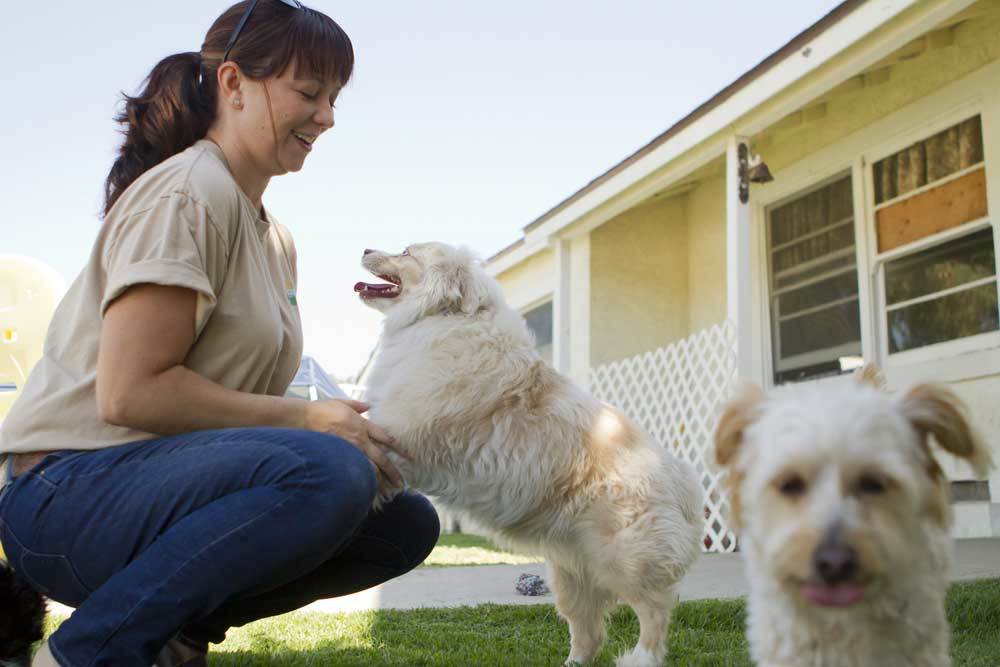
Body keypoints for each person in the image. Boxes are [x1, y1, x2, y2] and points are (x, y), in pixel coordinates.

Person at [0, 2, 440, 665]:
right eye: (309, 92)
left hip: (154, 493)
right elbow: (131, 394)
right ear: (233, 85)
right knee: (328, 472)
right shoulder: (188, 193)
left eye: (334, 98)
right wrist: (305, 422)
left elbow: (238, 413)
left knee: (402, 522)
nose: (327, 116)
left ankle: (172, 630)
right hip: (63, 496)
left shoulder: (276, 238)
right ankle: (87, 653)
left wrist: (341, 425)